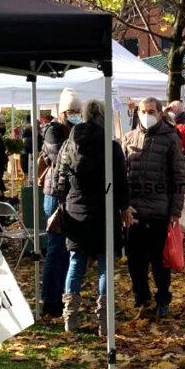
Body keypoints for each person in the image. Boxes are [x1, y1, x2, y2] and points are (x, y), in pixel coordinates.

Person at [54, 100, 130, 335]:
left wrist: (63, 202)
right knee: (105, 266)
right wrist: (124, 207)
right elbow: (120, 182)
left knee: (76, 263)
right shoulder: (111, 147)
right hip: (104, 210)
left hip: (76, 208)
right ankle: (104, 322)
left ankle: (70, 318)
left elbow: (60, 178)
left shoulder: (68, 145)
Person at [122, 97, 185, 317]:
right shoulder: (128, 138)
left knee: (160, 262)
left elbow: (179, 175)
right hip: (133, 212)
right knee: (135, 261)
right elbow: (121, 175)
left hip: (160, 211)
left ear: (159, 113)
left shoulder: (170, 138)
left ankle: (163, 299)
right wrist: (123, 206)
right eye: (143, 111)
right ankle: (141, 297)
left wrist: (175, 211)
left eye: (151, 111)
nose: (146, 114)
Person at [39, 89, 81, 318]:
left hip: (70, 194)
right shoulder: (53, 131)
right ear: (63, 112)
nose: (75, 114)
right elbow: (63, 158)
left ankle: (63, 295)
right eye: (71, 111)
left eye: (77, 111)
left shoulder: (73, 130)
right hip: (55, 195)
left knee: (68, 250)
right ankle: (50, 299)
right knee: (56, 250)